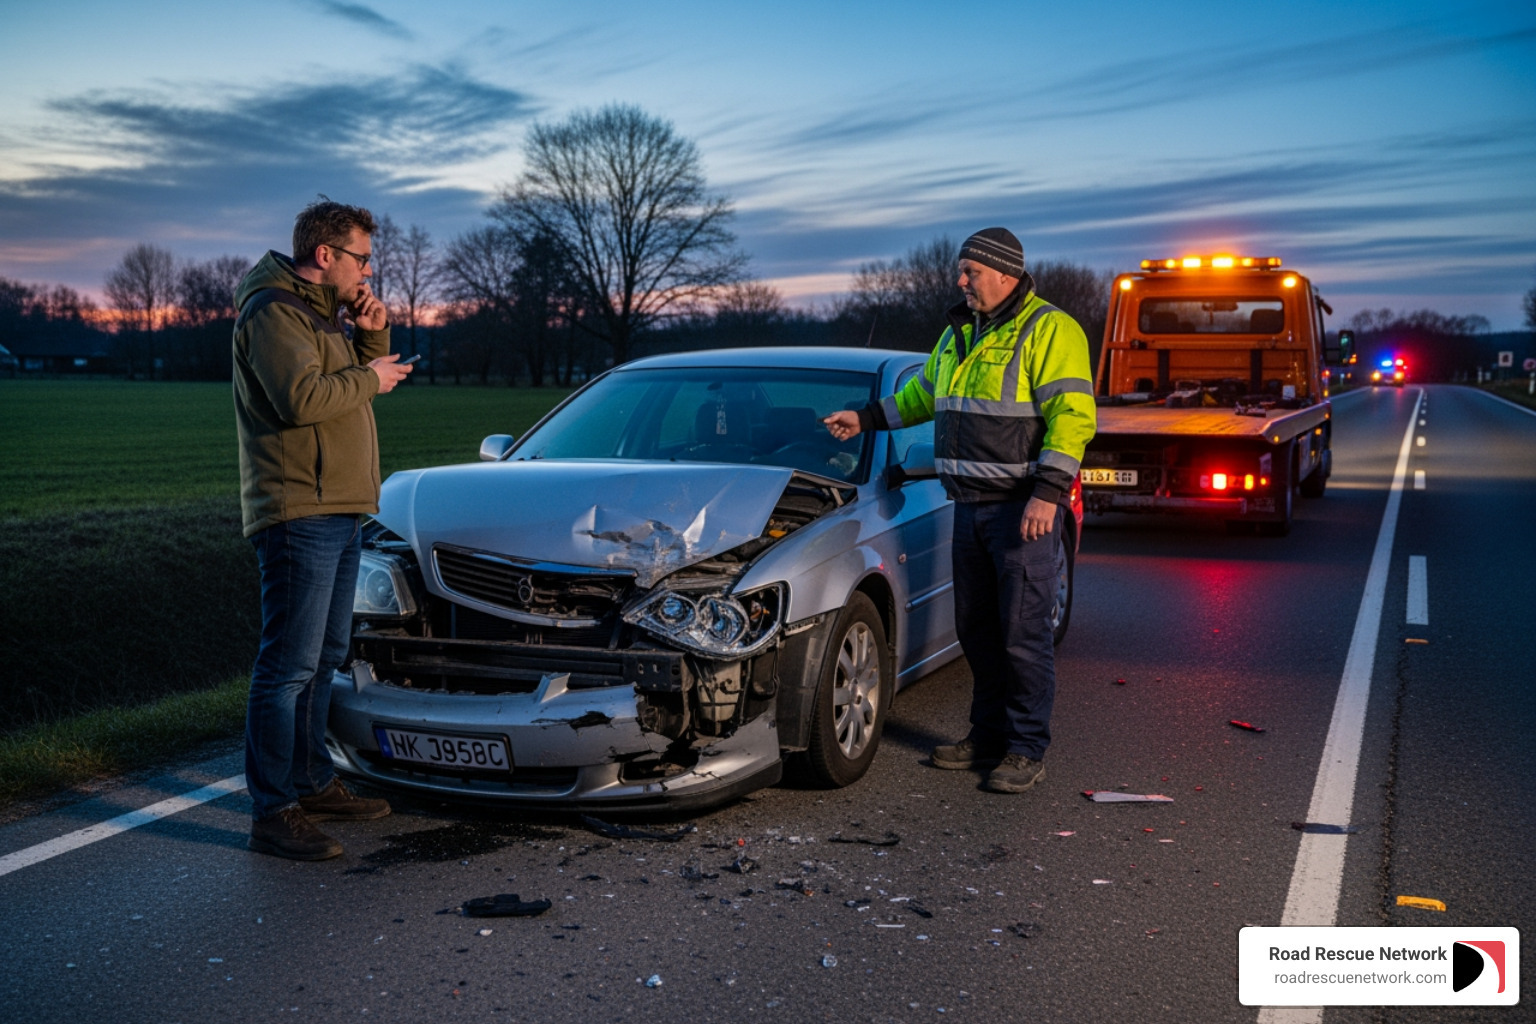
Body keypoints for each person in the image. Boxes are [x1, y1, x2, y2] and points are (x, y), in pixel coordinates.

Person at [823, 227, 1096, 793]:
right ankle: (987, 735)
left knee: (1022, 634)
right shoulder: (958, 335)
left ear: (1005, 274)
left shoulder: (1050, 329)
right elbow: (922, 396)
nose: (960, 280)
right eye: (961, 271)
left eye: (970, 270)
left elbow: (1073, 417)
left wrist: (1048, 493)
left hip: (1021, 509)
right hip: (967, 509)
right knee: (978, 630)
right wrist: (865, 418)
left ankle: (1024, 748)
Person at [233, 199, 414, 859]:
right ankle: (272, 811)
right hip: (297, 509)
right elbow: (303, 400)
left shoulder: (320, 313)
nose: (368, 268)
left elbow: (350, 389)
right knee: (286, 667)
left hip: (339, 506)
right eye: (361, 257)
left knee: (323, 659)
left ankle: (311, 781)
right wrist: (370, 372)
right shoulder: (274, 313)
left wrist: (371, 333)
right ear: (325, 255)